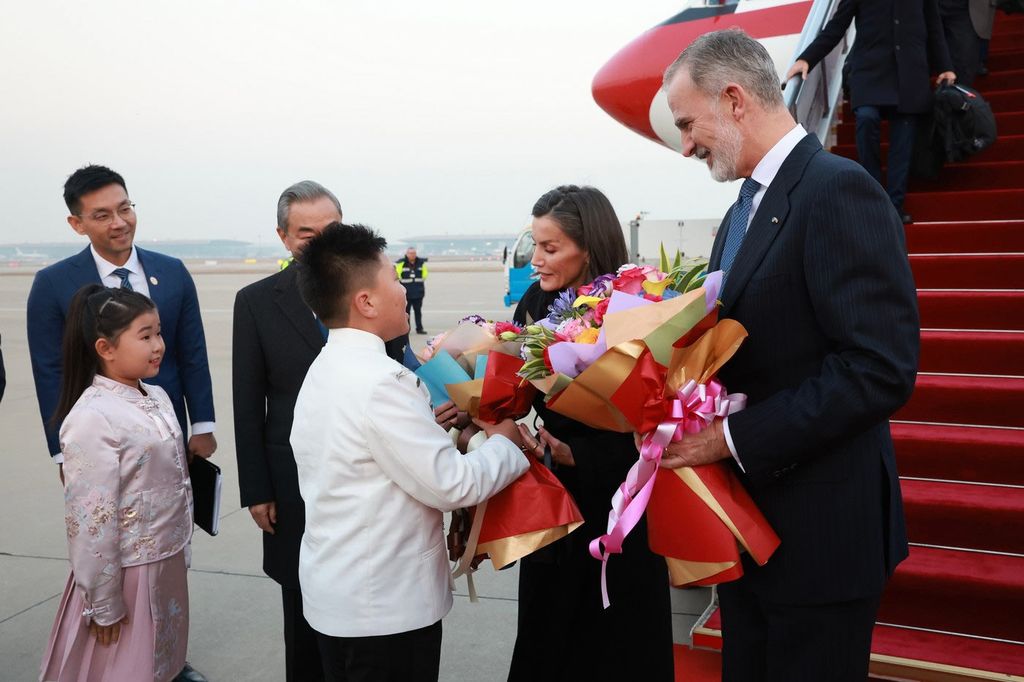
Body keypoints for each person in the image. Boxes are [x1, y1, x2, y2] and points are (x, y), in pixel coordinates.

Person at [663, 29, 919, 680]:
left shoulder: (839, 189)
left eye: (689, 124)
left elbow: (878, 367)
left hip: (822, 540)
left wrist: (731, 437)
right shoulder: (741, 210)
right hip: (750, 534)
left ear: (734, 99)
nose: (686, 145)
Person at [289, 222, 530, 682]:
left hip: (339, 597)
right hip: (384, 609)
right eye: (394, 279)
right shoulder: (381, 382)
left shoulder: (327, 366)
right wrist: (505, 441)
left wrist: (430, 433)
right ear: (366, 301)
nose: (403, 289)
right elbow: (452, 484)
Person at [27, 165, 214, 682]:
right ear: (77, 223)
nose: (119, 222)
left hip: (161, 433)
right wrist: (63, 453)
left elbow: (193, 351)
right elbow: (49, 371)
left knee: (159, 617)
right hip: (102, 445)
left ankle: (164, 661)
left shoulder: (170, 271)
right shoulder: (53, 284)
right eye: (102, 214)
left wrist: (200, 422)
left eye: (125, 208)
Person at [232, 181, 410, 681]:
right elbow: (248, 403)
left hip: (369, 473)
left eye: (329, 230)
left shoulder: (371, 295)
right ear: (284, 238)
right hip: (292, 480)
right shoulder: (256, 302)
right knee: (302, 608)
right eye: (305, 233)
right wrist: (257, 489)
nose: (318, 242)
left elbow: (400, 371)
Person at [508, 185, 674, 682]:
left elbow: (659, 420)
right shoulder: (535, 303)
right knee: (549, 639)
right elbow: (520, 390)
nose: (536, 259)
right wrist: (479, 407)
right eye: (535, 244)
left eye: (550, 248)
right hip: (556, 504)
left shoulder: (637, 305)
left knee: (615, 645)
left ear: (590, 247)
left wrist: (586, 457)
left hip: (619, 505)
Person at [40, 285, 193, 682]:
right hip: (126, 574)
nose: (158, 345)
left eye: (158, 332)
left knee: (162, 662)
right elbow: (90, 522)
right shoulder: (93, 417)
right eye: (145, 336)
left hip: (166, 560)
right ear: (105, 348)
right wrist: (104, 602)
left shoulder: (157, 395)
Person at [786, 0, 956, 223]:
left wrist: (945, 66)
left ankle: (894, 207)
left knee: (902, 143)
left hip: (910, 73)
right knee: (866, 119)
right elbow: (837, 26)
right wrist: (807, 58)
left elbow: (934, 26)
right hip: (870, 72)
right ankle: (873, 197)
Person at [395, 246, 428, 334]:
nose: (412, 255)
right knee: (406, 313)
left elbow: (424, 275)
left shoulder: (421, 263)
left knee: (418, 312)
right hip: (406, 294)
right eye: (410, 253)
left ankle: (419, 329)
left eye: (414, 253)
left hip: (418, 292)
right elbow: (397, 275)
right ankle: (406, 330)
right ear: (407, 254)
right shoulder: (401, 263)